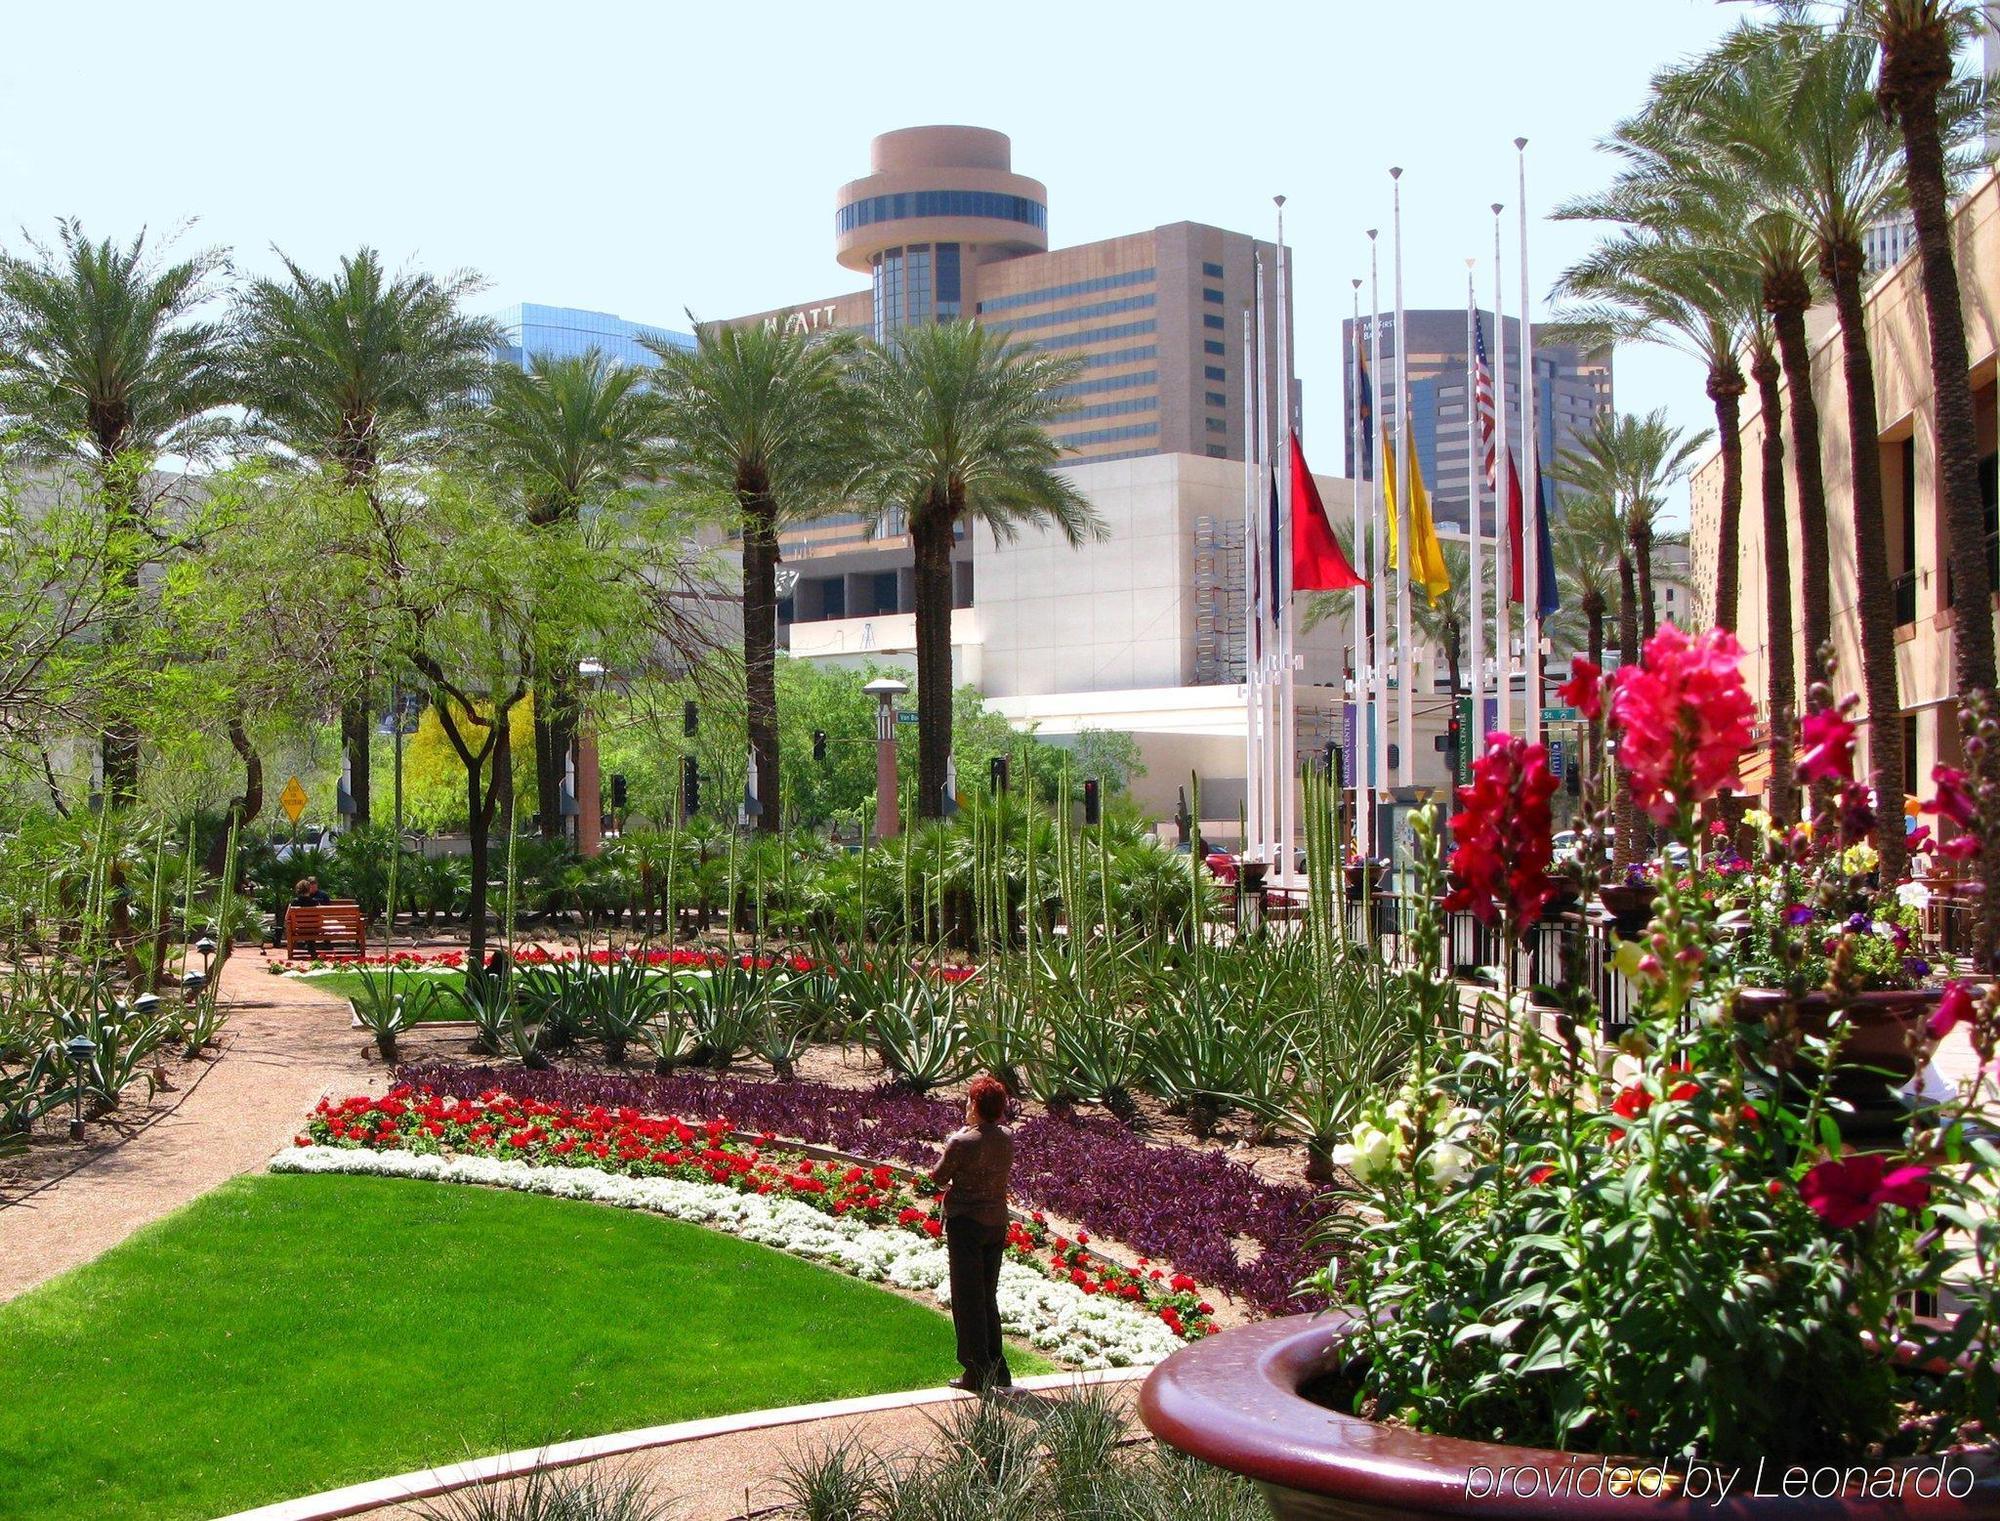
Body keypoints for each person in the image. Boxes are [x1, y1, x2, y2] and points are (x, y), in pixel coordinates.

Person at [930, 1073, 1015, 1392]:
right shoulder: (1006, 1136)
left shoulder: (962, 1141)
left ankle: (975, 1371)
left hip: (967, 1223)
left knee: (967, 1298)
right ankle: (998, 1367)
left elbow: (938, 1177)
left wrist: (951, 1142)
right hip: (996, 1222)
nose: (966, 1105)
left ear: (977, 1105)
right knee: (987, 1295)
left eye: (969, 1100)